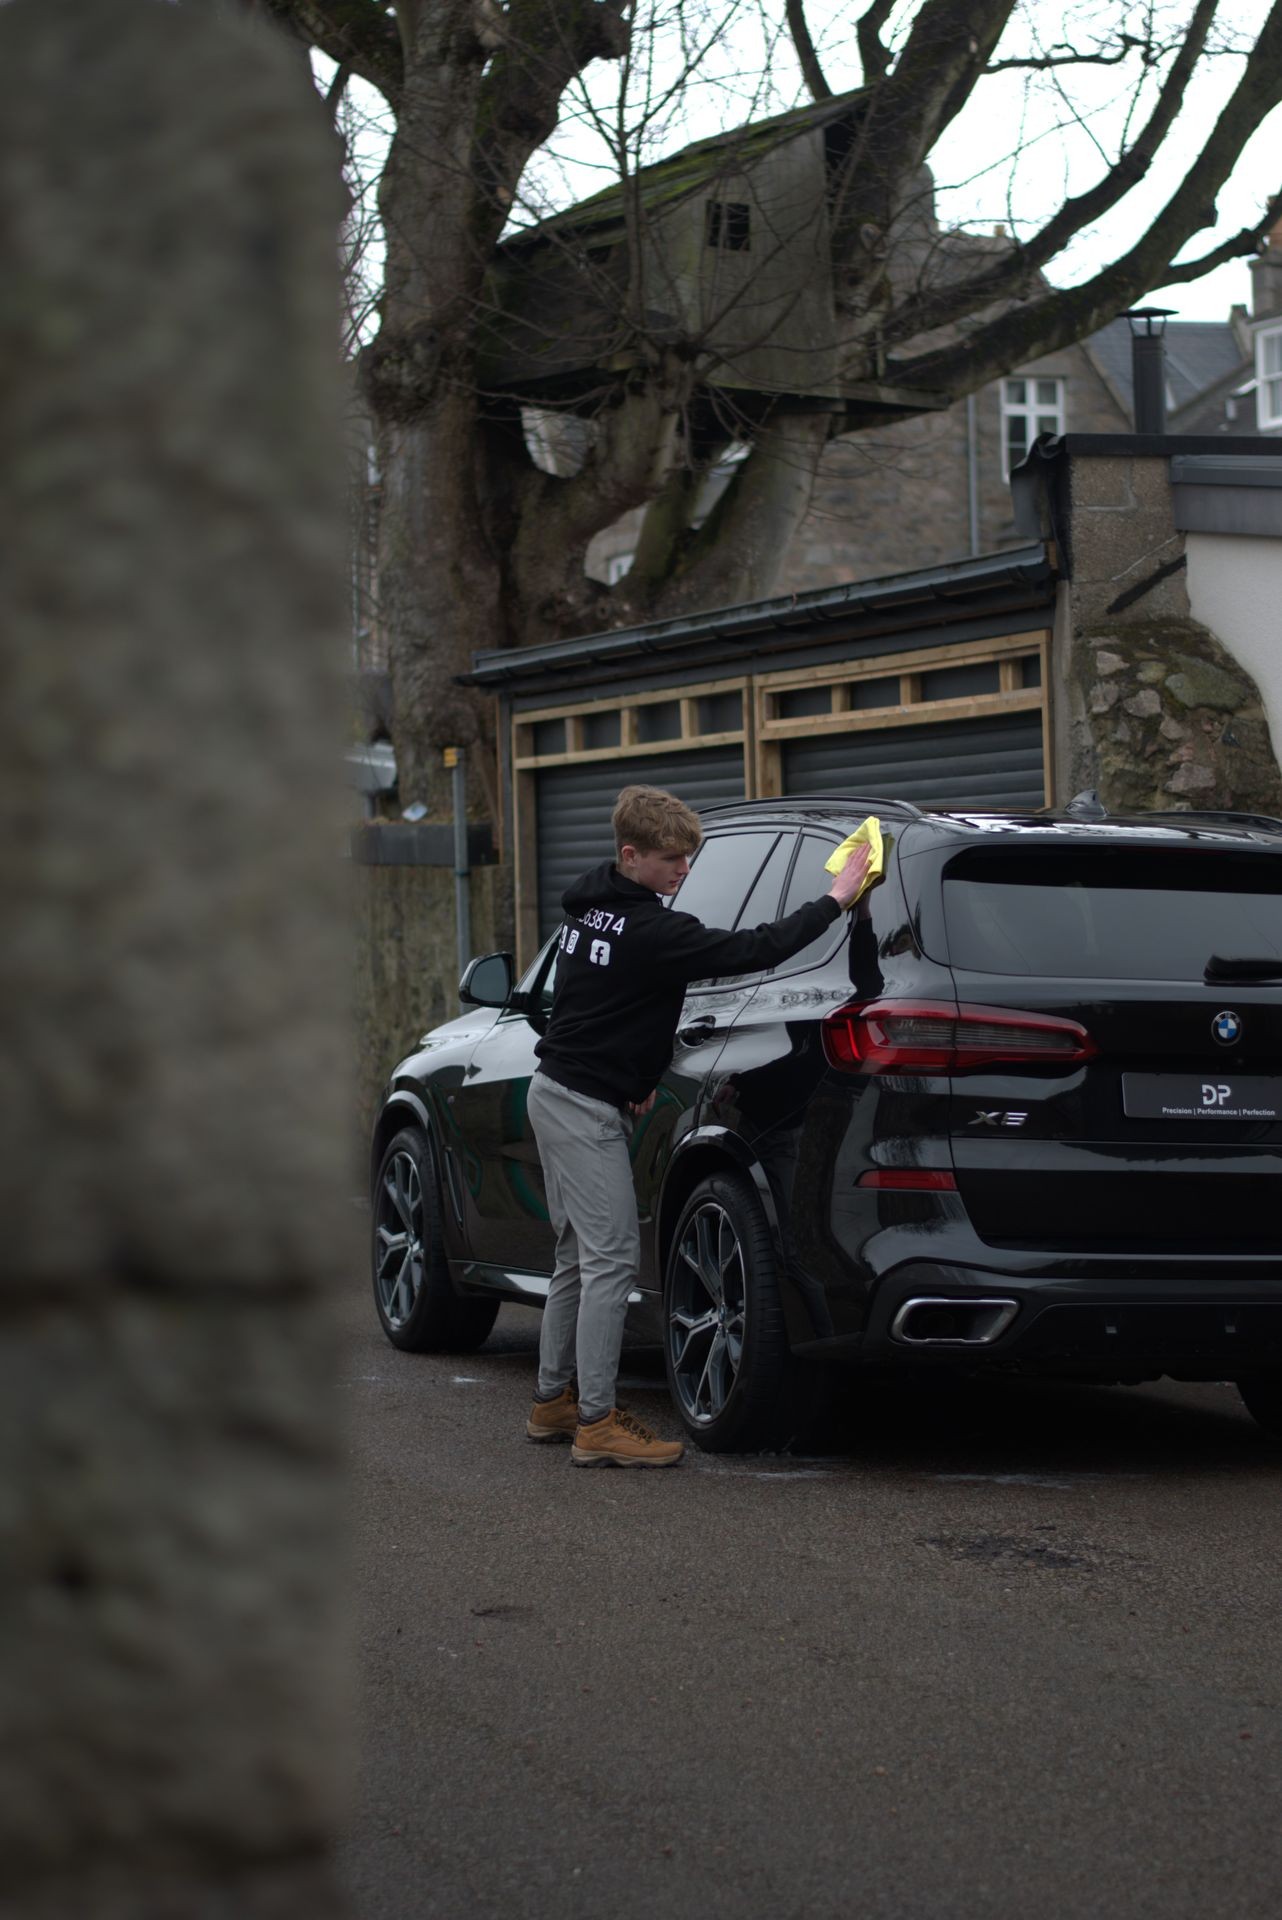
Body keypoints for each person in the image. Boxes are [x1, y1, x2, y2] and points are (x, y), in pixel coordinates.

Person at [524, 784, 872, 1469]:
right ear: (632, 855)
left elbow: (593, 1002)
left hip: (558, 1091)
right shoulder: (656, 931)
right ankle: (595, 1424)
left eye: (689, 859)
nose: (685, 872)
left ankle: (552, 1403)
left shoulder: (590, 903)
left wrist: (636, 1078)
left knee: (574, 1254)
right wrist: (837, 898)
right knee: (612, 1258)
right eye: (672, 860)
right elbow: (757, 949)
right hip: (583, 1106)